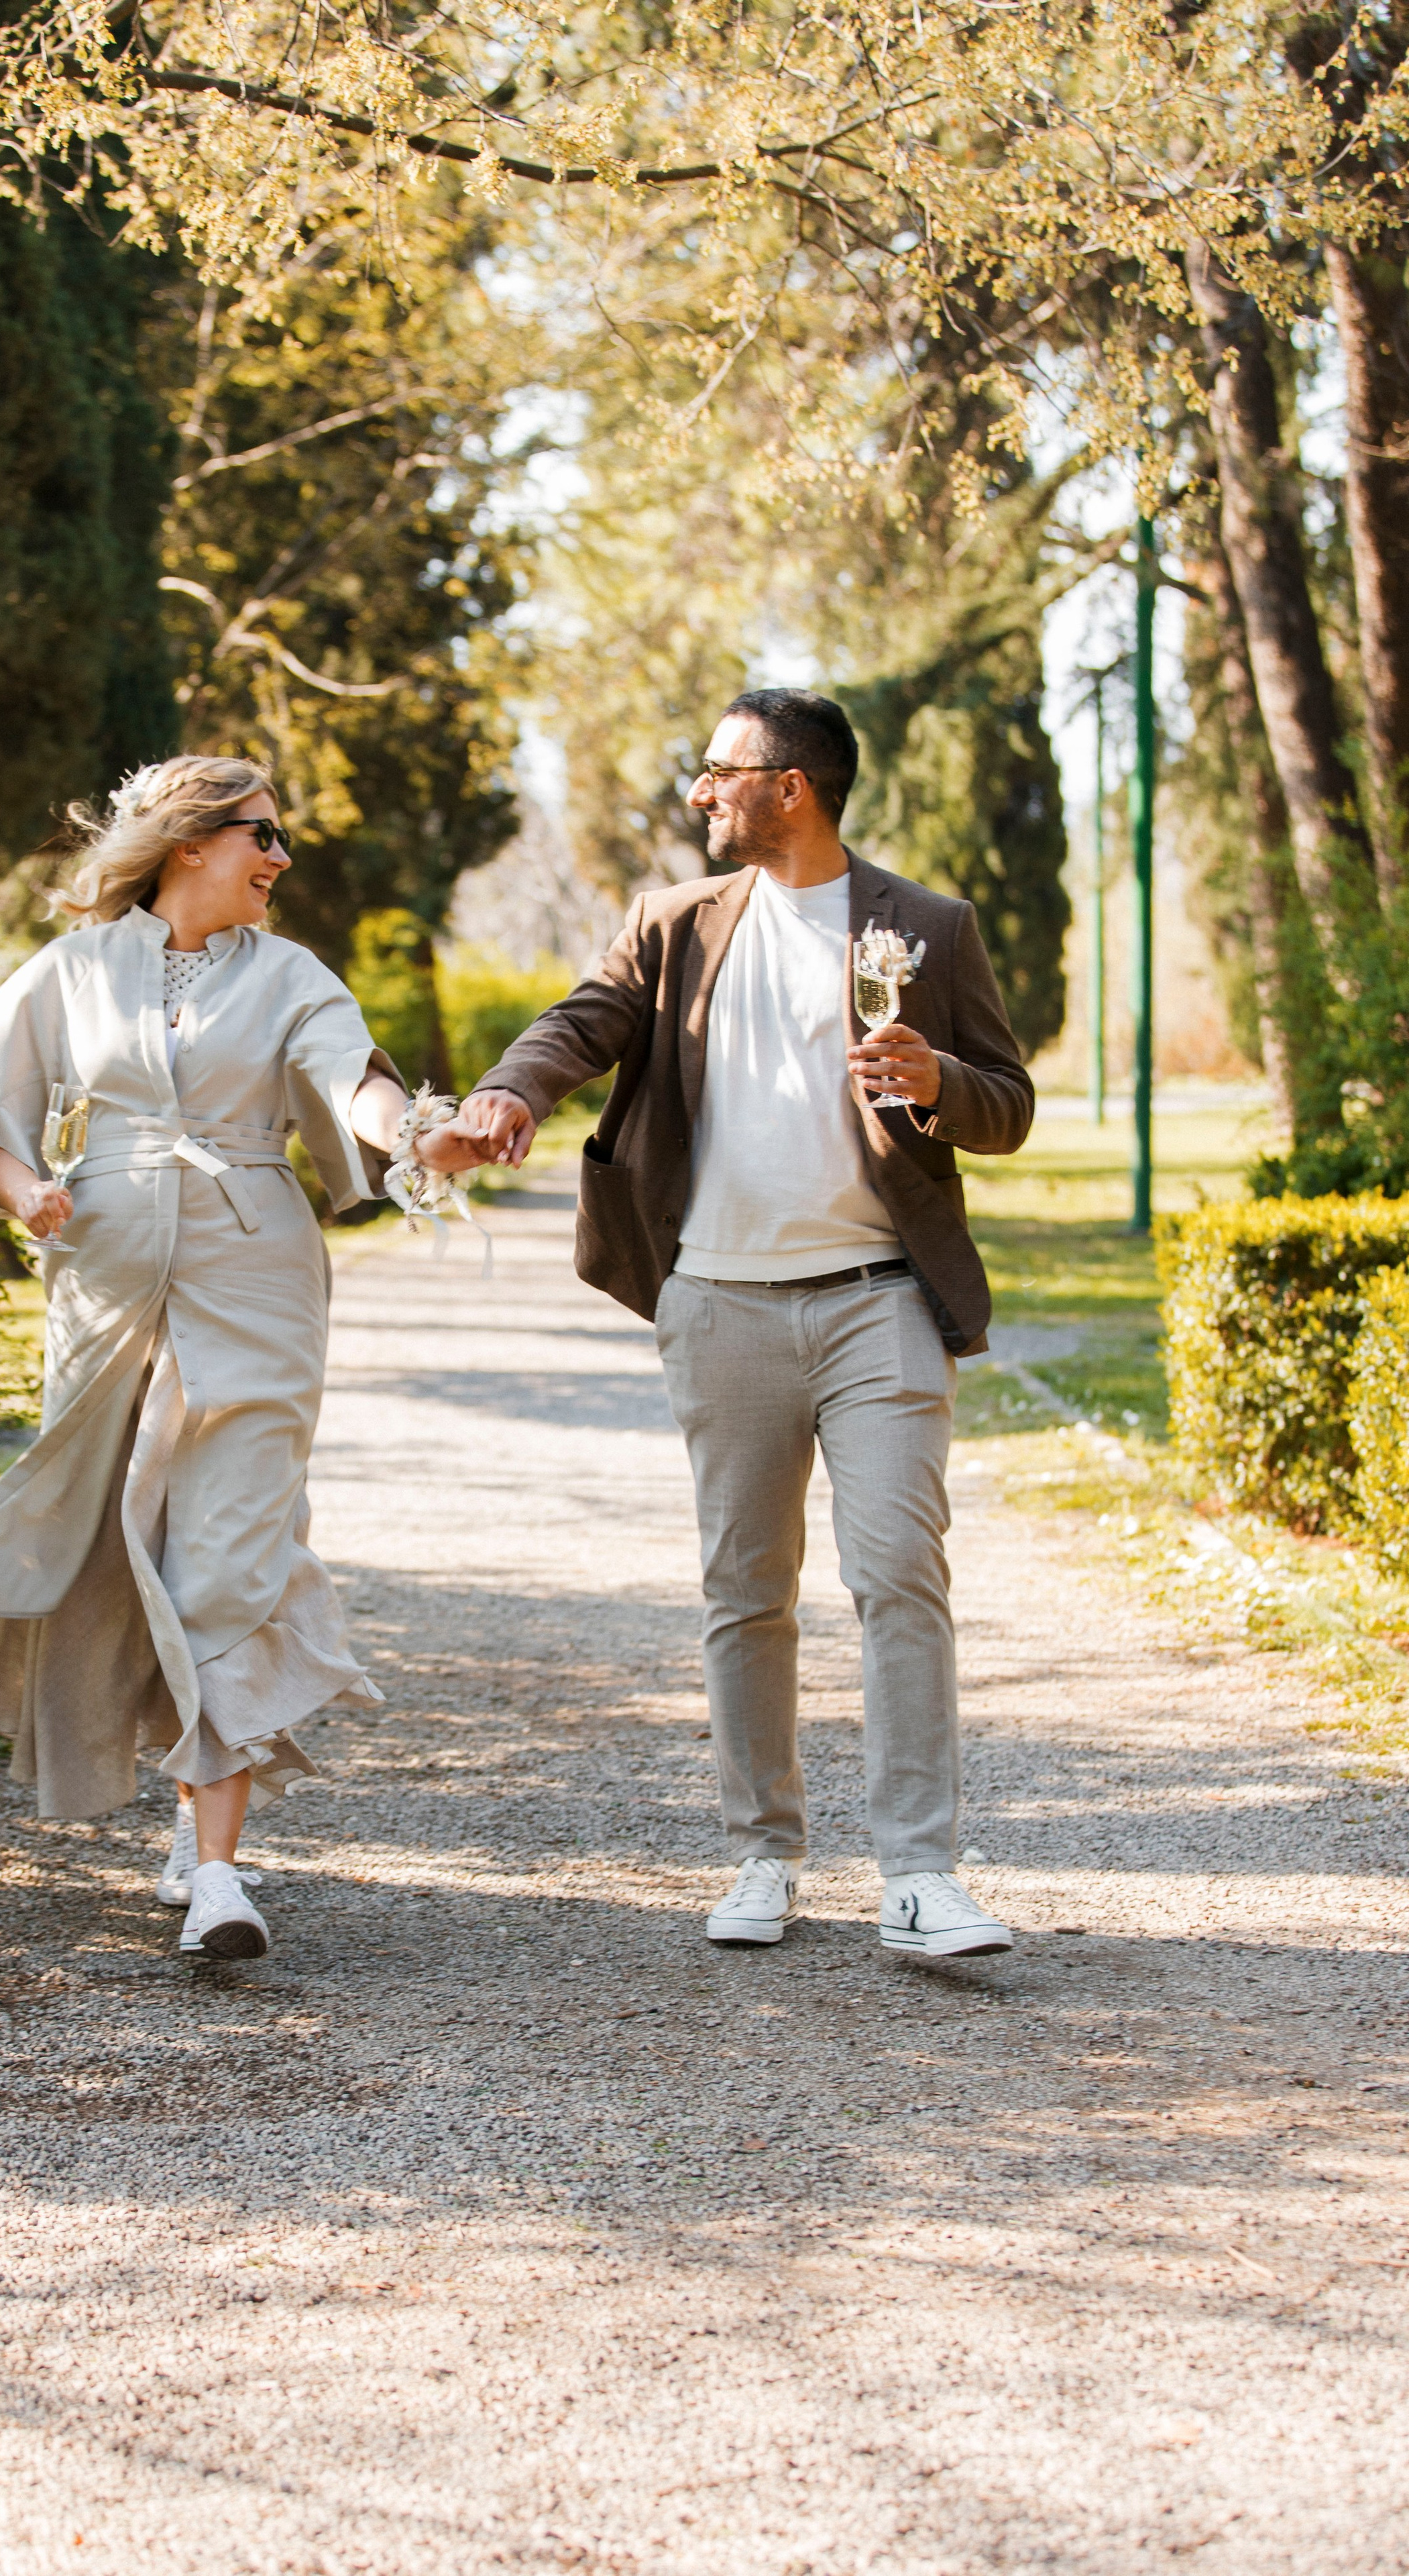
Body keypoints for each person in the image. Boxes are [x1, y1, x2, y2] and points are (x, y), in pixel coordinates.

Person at [455, 690, 1034, 1960]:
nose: (701, 793)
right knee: (745, 1592)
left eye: (721, 772)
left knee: (897, 1577)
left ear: (793, 786)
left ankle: (922, 1873)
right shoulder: (673, 926)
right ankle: (764, 1855)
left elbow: (1010, 1102)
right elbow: (581, 1022)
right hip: (717, 1304)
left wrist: (946, 1085)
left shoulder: (928, 927)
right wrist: (510, 1091)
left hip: (881, 1301)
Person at [0, 755, 484, 1960]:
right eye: (264, 836)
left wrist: (428, 1134)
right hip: (103, 1272)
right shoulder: (73, 969)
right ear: (189, 845)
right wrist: (26, 1196)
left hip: (256, 1271)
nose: (280, 860)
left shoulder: (294, 976)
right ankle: (186, 1803)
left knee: (231, 1544)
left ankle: (218, 1871)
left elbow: (352, 1085)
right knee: (126, 1538)